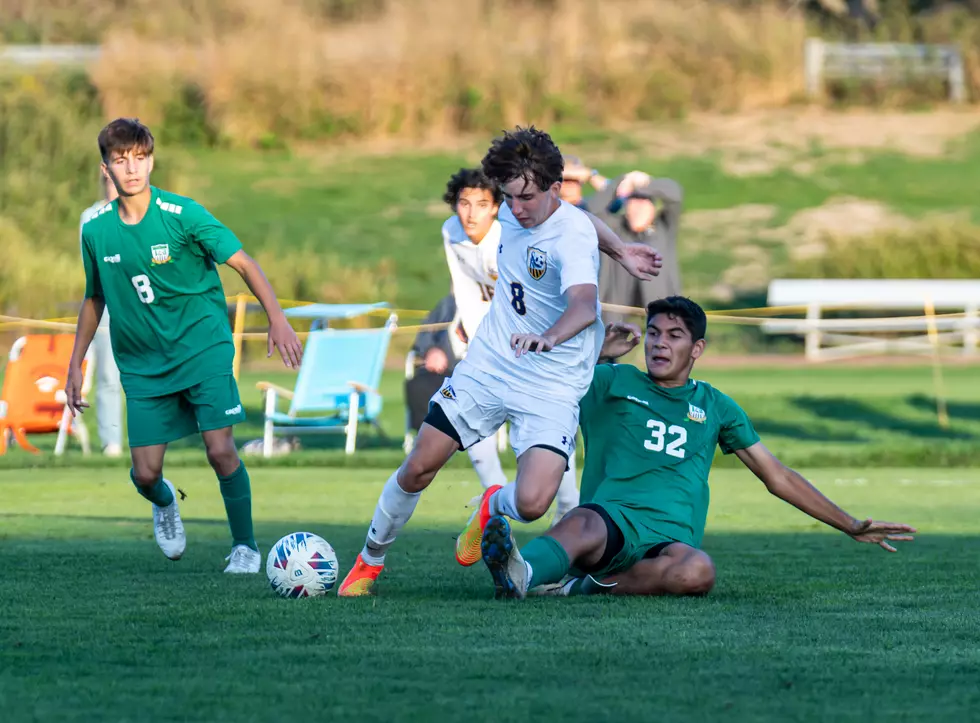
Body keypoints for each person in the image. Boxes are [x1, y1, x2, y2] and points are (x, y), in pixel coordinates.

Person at [338, 126, 662, 597]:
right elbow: (582, 221)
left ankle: (494, 504)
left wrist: (550, 335)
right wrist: (622, 250)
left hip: (550, 382)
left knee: (532, 503)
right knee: (419, 465)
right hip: (491, 363)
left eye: (527, 197)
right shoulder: (512, 212)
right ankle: (369, 562)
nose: (517, 208)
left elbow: (581, 301)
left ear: (555, 188)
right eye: (509, 197)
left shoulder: (569, 236)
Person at [479, 297, 918, 599]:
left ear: (697, 348)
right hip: (609, 523)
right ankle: (523, 573)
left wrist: (849, 524)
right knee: (581, 524)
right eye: (653, 333)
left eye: (673, 335)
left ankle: (579, 586)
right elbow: (544, 384)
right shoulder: (614, 381)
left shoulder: (716, 405)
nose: (658, 344)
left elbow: (776, 475)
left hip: (669, 540)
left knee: (698, 572)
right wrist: (596, 353)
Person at [65, 118, 303, 574]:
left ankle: (245, 547)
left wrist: (277, 318)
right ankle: (166, 500)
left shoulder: (183, 214)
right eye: (121, 160)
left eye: (140, 158)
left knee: (219, 449)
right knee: (146, 474)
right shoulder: (95, 230)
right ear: (106, 168)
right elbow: (94, 297)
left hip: (202, 349)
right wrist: (76, 363)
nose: (132, 169)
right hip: (142, 365)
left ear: (151, 160)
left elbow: (243, 263)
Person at [439, 167, 580, 522]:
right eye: (463, 203)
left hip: (534, 347)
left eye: (481, 204)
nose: (470, 213)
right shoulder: (451, 231)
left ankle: (568, 515)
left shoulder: (514, 235)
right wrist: (470, 330)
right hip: (489, 343)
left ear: (496, 207)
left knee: (549, 433)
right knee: (470, 423)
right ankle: (494, 516)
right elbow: (465, 289)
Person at [592, 171, 684, 326]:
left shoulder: (664, 227)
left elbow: (674, 194)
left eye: (643, 204)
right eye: (633, 204)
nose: (637, 211)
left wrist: (647, 184)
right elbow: (594, 210)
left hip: (662, 303)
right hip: (616, 303)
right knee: (608, 337)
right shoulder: (616, 227)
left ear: (653, 209)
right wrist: (621, 182)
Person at [79, 171, 124, 457]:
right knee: (108, 375)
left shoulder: (138, 213)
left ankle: (153, 440)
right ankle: (112, 442)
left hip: (138, 303)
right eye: (108, 179)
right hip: (106, 305)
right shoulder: (91, 216)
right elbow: (92, 267)